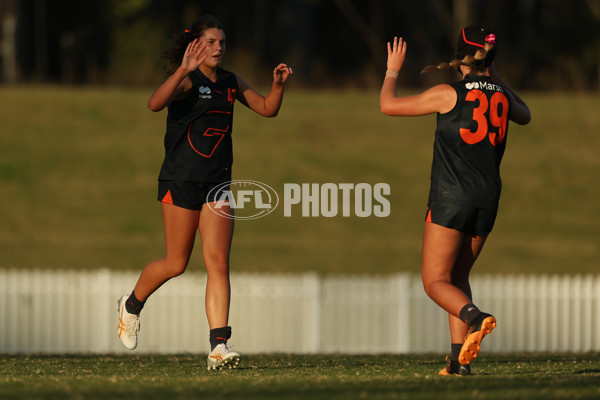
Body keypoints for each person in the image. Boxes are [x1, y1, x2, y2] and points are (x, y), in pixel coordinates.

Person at [116, 15, 292, 370]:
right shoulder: (186, 81)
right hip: (180, 180)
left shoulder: (230, 82)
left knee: (219, 263)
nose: (218, 48)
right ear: (195, 45)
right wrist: (182, 71)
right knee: (176, 263)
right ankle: (131, 305)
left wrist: (277, 85)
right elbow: (154, 103)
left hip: (218, 184)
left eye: (222, 42)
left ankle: (218, 347)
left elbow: (268, 109)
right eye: (211, 41)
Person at [380, 26, 530, 375]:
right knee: (458, 277)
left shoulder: (448, 93)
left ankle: (476, 318)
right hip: (487, 200)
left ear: (460, 57)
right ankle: (457, 361)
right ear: (489, 60)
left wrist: (392, 70)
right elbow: (526, 114)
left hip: (451, 198)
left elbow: (388, 105)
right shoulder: (503, 97)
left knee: (435, 282)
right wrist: (495, 78)